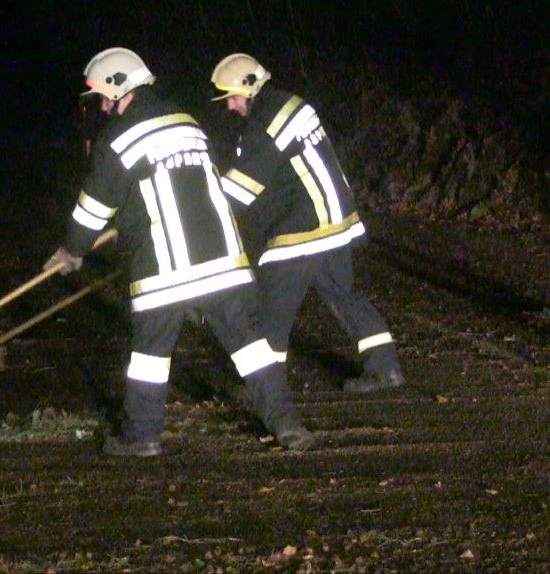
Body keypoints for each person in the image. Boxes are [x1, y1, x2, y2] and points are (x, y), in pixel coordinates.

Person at [43, 47, 314, 456]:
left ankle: (141, 437)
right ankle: (289, 425)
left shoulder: (117, 139)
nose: (101, 105)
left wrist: (72, 250)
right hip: (224, 261)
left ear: (118, 89)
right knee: (252, 348)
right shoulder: (188, 122)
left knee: (149, 358)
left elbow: (94, 206)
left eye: (102, 96)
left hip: (163, 271)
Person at [209, 53, 405, 393]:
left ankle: (266, 390)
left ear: (249, 88)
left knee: (271, 306)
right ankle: (386, 368)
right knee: (345, 296)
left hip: (303, 227)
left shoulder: (264, 123)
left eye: (233, 97)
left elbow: (242, 187)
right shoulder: (290, 104)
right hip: (336, 220)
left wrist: (199, 210)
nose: (230, 106)